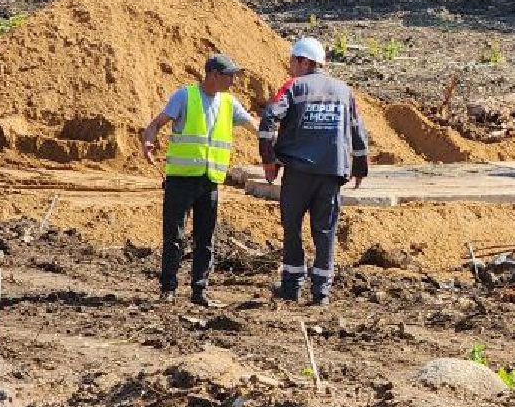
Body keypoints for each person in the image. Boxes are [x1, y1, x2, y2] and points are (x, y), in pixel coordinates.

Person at [141, 54, 257, 307]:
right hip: (181, 180)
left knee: (206, 238)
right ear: (214, 74)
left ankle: (199, 290)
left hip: (209, 181)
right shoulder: (185, 96)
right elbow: (156, 124)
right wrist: (148, 142)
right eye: (229, 75)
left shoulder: (229, 103)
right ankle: (168, 289)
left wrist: (276, 141)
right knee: (175, 235)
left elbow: (254, 127)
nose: (233, 80)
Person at [259, 36, 369, 306]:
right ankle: (322, 291)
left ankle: (292, 286)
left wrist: (268, 158)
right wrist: (360, 167)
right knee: (325, 231)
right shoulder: (344, 91)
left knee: (292, 228)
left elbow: (269, 118)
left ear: (304, 61)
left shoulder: (294, 87)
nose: (290, 68)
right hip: (332, 173)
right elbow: (357, 130)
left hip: (298, 172)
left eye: (292, 62)